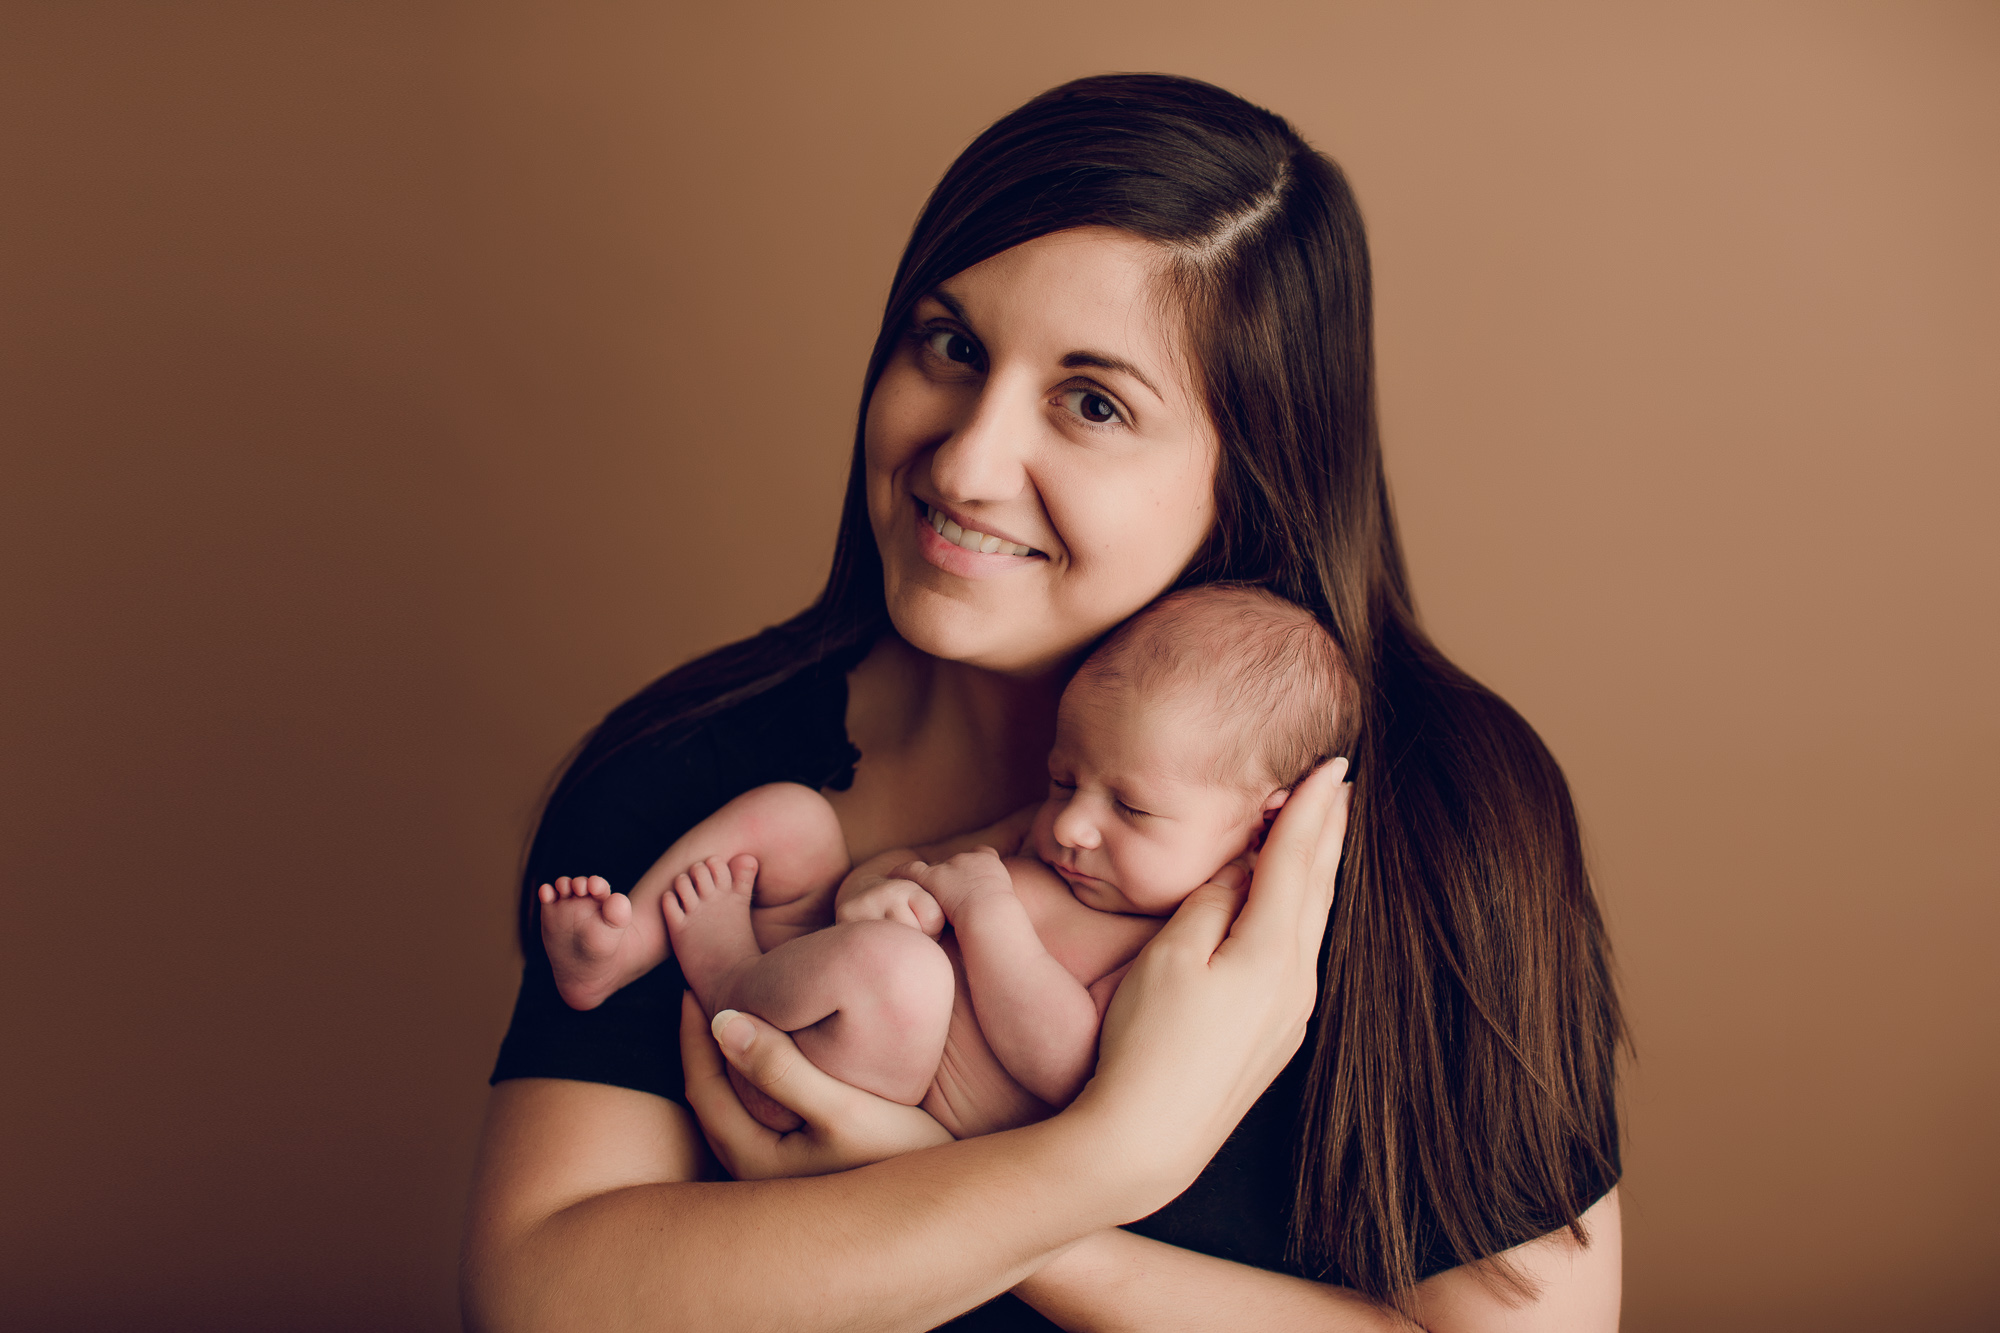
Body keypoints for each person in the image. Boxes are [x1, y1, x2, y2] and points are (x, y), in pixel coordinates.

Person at [462, 74, 1624, 1332]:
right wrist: (1086, 1164)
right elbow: (541, 1298)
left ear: (1254, 473)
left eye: (1092, 401)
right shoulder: (697, 775)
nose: (961, 461)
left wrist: (1037, 1198)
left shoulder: (1438, 819)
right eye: (951, 346)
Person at [536, 585, 1353, 1139]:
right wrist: (881, 891)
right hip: (829, 975)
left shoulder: (1176, 942)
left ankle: (723, 975)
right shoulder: (1049, 835)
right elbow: (908, 864)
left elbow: (1071, 1064)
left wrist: (979, 912)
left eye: (1130, 807)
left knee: (907, 978)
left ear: (1260, 827)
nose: (1071, 822)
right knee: (795, 814)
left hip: (849, 1088)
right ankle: (618, 945)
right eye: (1065, 777)